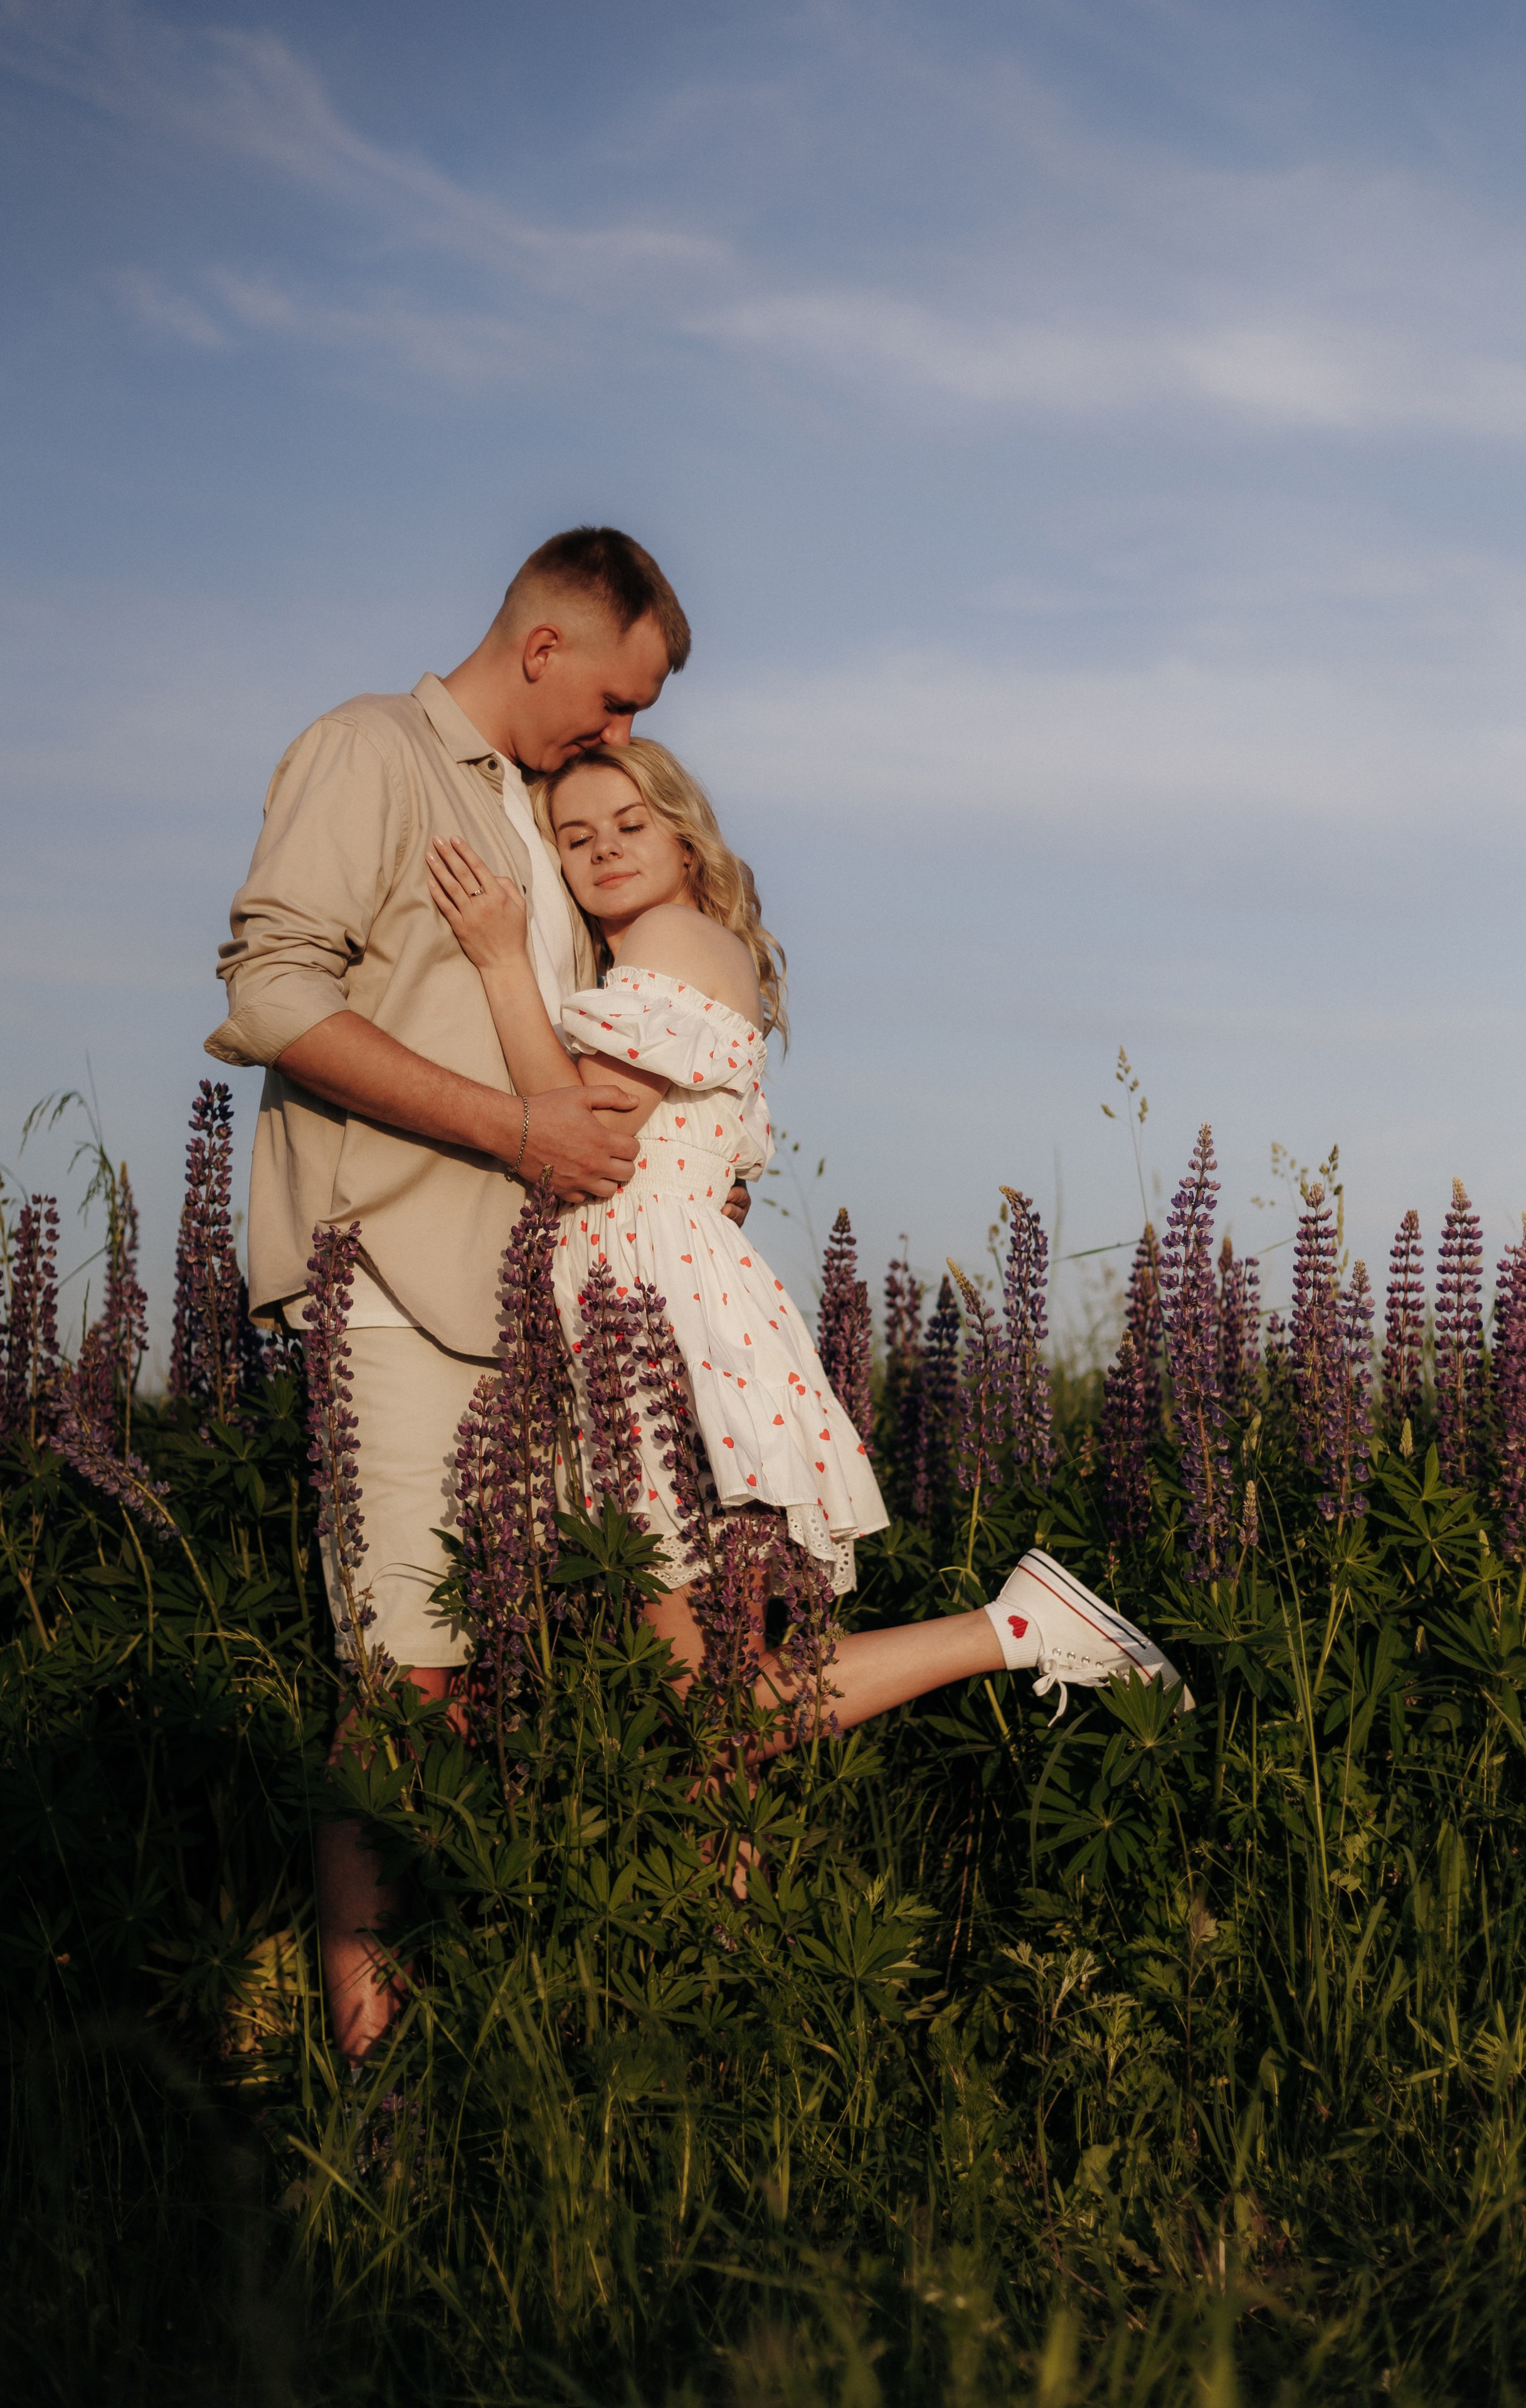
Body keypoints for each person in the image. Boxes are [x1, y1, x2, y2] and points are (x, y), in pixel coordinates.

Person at [425, 736, 1185, 1777]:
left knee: (711, 1705)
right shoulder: (662, 957)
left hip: (652, 1323)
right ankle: (733, 1891)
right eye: (575, 835)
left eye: (631, 825)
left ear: (686, 840)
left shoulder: (673, 935)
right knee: (710, 1712)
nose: (603, 849)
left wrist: (501, 960)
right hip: (661, 1308)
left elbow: (579, 1129)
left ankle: (1013, 1627)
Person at [206, 527, 705, 2060]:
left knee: (509, 1681)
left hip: (530, 1304)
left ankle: (474, 2044)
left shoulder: (540, 811)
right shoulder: (370, 750)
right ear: (543, 645)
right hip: (390, 1287)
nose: (623, 733)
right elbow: (270, 993)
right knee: (408, 1678)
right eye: (616, 699)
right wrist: (514, 1130)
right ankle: (377, 2088)